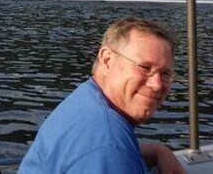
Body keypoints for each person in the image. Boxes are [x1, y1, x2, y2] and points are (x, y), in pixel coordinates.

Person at [18, 17, 186, 174]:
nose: (156, 84)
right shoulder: (108, 142)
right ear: (107, 60)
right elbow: (106, 150)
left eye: (165, 73)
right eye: (144, 67)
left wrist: (158, 151)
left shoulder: (86, 102)